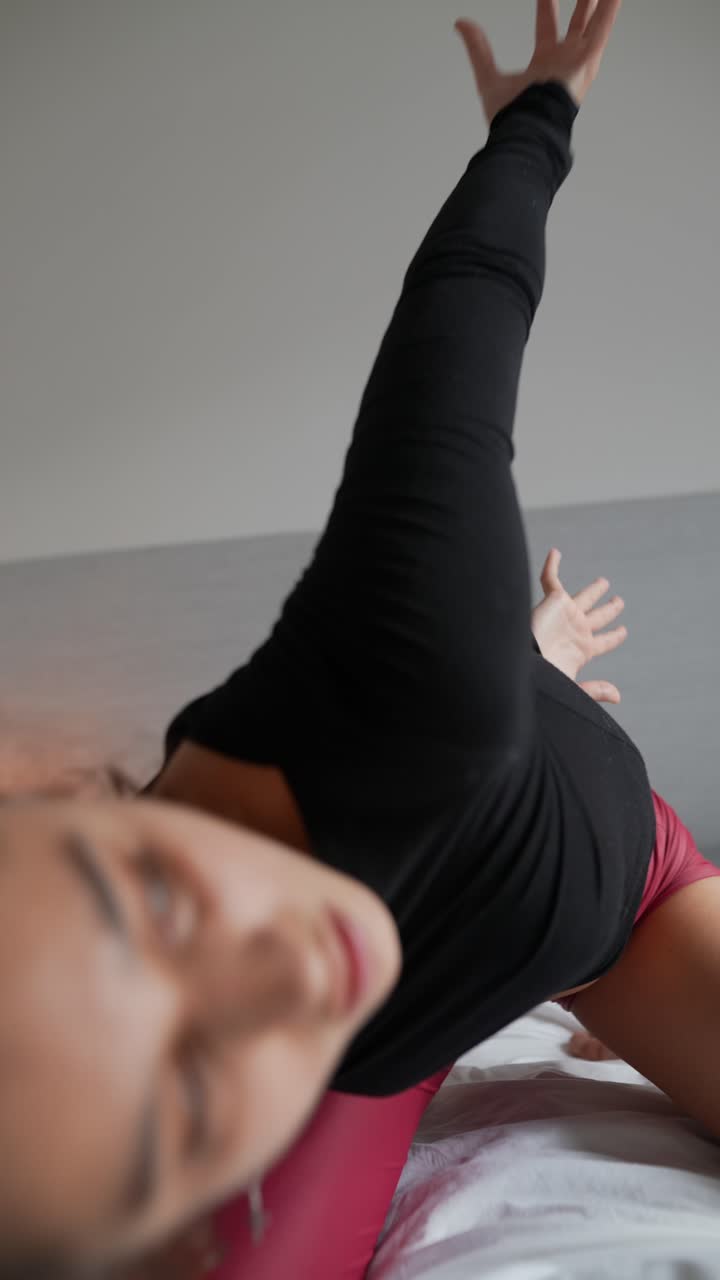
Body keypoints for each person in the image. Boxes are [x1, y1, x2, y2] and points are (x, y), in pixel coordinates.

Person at [3, 2, 719, 1277]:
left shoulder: (418, 643)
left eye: (156, 899)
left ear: (64, 790)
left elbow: (470, 296)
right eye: (186, 1105)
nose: (289, 974)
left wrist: (538, 115)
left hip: (604, 896)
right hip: (415, 1002)